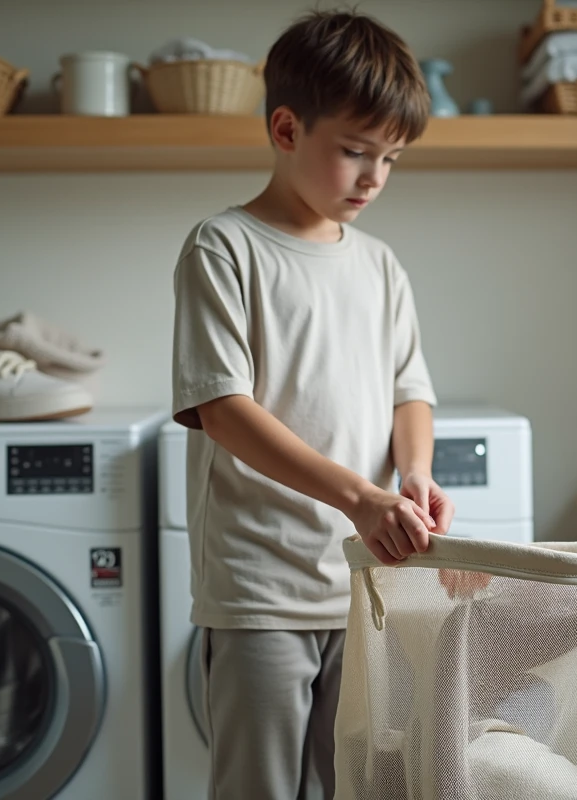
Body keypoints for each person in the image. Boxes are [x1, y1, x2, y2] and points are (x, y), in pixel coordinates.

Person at [169, 9, 455, 798]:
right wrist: (360, 495)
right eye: (356, 151)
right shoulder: (224, 248)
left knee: (353, 783)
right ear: (287, 129)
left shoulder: (380, 266)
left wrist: (414, 474)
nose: (374, 177)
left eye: (391, 158)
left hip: (365, 580)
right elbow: (222, 408)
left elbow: (411, 389)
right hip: (260, 588)